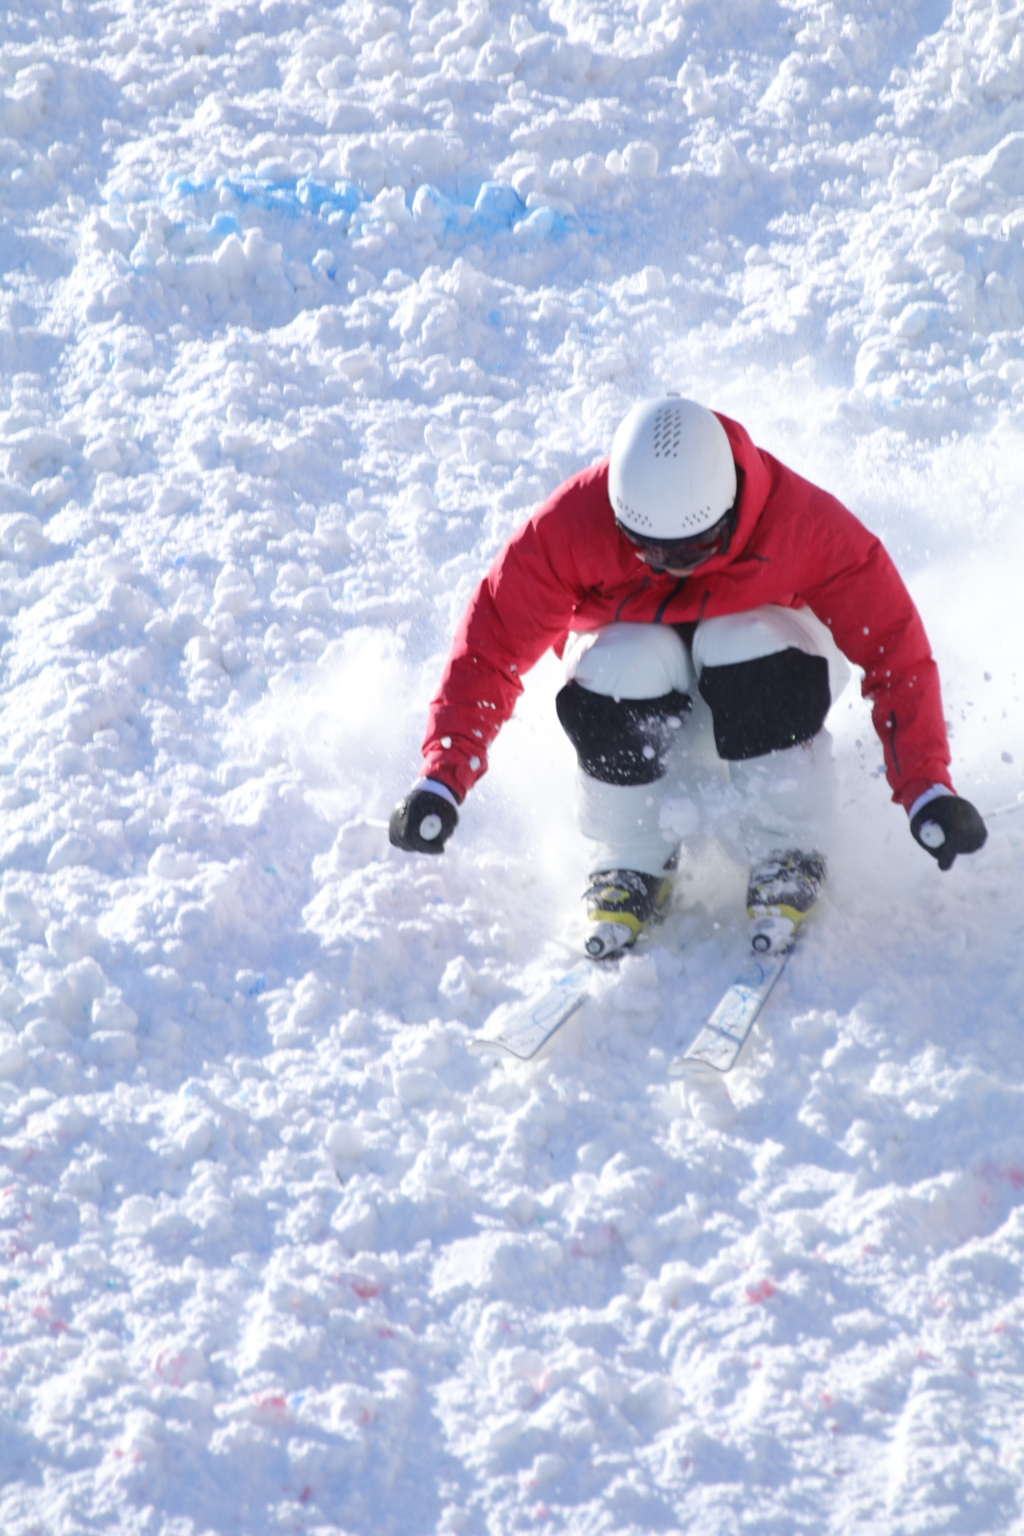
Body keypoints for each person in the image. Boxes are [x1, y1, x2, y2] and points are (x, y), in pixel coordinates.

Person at [389, 397, 987, 959]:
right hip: (650, 687)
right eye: (650, 551)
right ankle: (629, 857)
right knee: (619, 663)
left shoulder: (801, 524)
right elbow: (490, 647)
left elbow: (894, 652)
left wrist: (927, 788)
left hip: (768, 671)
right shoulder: (571, 528)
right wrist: (443, 777)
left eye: (694, 548)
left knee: (742, 640)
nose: (673, 569)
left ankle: (787, 847)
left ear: (729, 514)